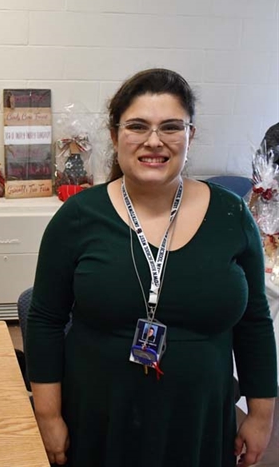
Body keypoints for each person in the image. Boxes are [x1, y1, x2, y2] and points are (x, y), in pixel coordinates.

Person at [26, 68, 277, 467]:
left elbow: (255, 323)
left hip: (199, 421)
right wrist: (48, 415)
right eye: (138, 126)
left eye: (171, 127)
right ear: (115, 135)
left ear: (190, 136)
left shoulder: (232, 215)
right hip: (99, 419)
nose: (154, 141)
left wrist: (261, 415)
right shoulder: (79, 217)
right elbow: (44, 320)